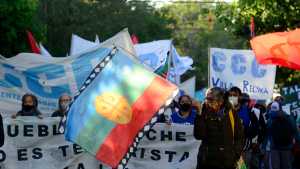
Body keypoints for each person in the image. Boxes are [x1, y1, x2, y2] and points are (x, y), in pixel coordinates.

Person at [194, 87, 244, 169]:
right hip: (207, 162)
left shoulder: (231, 112)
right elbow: (199, 135)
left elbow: (239, 137)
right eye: (206, 98)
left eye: (210, 98)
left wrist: (235, 155)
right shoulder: (203, 110)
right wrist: (199, 114)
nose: (207, 101)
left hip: (227, 162)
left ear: (221, 100)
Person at [266, 101, 299, 169]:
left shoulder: (271, 116)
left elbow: (268, 130)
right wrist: (296, 141)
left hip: (274, 146)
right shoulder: (288, 116)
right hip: (287, 146)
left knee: (275, 166)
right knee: (286, 166)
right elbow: (294, 129)